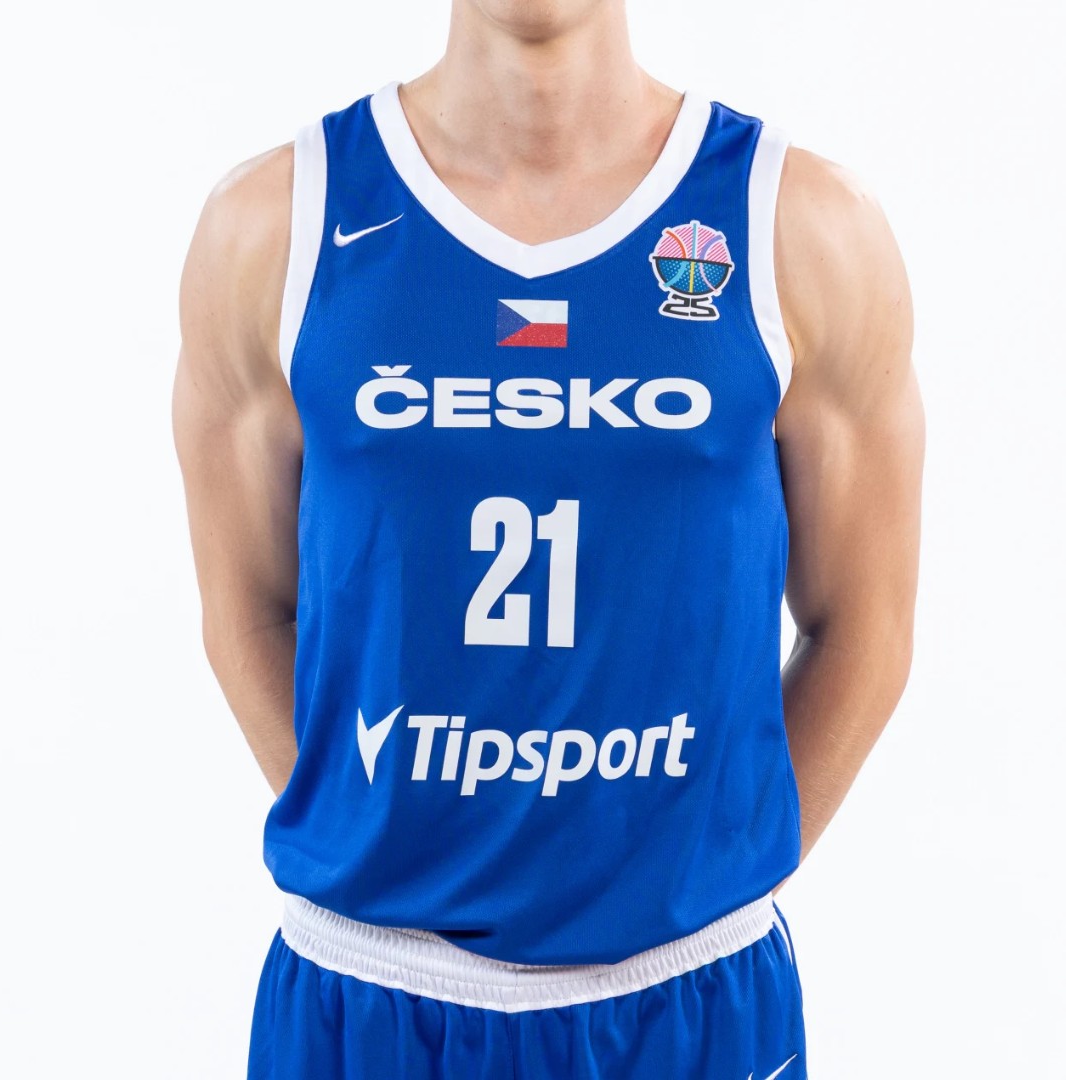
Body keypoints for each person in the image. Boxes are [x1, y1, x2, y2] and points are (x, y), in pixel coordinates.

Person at [172, 1, 924, 1076]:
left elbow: (866, 630)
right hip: (368, 998)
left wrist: (694, 874)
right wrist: (383, 837)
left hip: (690, 998)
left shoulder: (796, 225)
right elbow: (245, 610)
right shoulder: (277, 224)